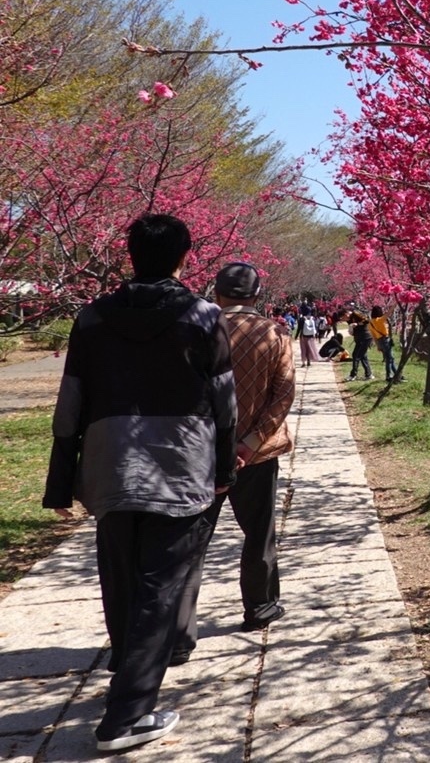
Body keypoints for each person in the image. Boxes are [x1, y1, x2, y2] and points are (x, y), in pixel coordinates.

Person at [41, 213, 237, 753]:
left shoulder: (92, 318)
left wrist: (61, 481)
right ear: (183, 257)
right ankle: (126, 715)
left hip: (109, 462)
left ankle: (127, 678)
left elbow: (71, 401)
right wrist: (224, 470)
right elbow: (225, 404)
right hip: (180, 463)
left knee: (122, 578)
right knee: (161, 587)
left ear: (129, 254)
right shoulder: (202, 315)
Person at [175, 262, 294, 655]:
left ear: (217, 293)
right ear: (257, 296)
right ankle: (260, 606)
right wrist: (251, 442)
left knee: (189, 541)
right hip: (256, 456)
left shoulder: (194, 329)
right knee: (259, 533)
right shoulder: (275, 333)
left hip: (200, 453)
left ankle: (178, 632)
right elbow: (283, 395)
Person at [368, 305, 396, 382]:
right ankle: (388, 376)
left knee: (390, 358)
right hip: (385, 340)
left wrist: (378, 346)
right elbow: (388, 313)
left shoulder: (370, 323)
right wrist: (394, 305)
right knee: (389, 359)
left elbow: (374, 337)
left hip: (380, 341)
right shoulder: (380, 320)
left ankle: (397, 374)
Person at [347, 312, 373, 381]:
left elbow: (367, 321)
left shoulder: (357, 315)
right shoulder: (349, 320)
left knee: (356, 355)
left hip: (365, 338)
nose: (344, 319)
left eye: (343, 317)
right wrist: (351, 329)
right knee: (363, 356)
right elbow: (353, 332)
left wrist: (357, 324)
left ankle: (353, 375)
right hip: (359, 339)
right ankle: (369, 374)